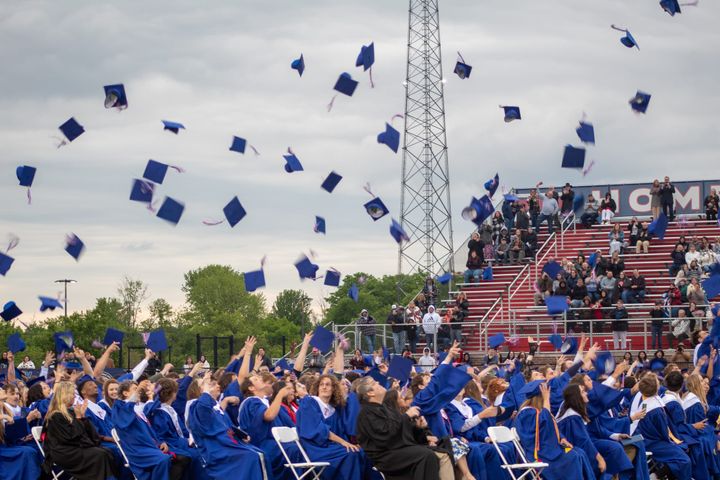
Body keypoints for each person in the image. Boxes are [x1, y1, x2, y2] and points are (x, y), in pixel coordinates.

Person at [355, 376, 456, 480]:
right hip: (385, 455)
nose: (378, 382)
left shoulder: (384, 408)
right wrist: (406, 416)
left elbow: (403, 432)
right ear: (370, 393)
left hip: (397, 449)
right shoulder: (366, 413)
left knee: (444, 447)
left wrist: (419, 428)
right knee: (427, 455)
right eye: (374, 383)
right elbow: (386, 435)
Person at [187, 375, 269, 479]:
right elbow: (206, 424)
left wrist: (240, 435)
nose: (213, 385)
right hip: (215, 449)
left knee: (260, 454)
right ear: (199, 391)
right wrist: (206, 389)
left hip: (227, 444)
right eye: (205, 384)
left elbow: (227, 427)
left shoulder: (216, 408)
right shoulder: (196, 406)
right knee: (250, 457)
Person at [514, 381, 594, 480]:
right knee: (573, 456)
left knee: (580, 452)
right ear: (541, 396)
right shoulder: (527, 412)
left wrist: (561, 438)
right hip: (539, 453)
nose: (549, 396)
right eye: (547, 394)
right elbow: (542, 424)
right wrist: (546, 399)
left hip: (549, 449)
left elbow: (548, 428)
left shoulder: (538, 411)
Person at [43, 381, 119, 480]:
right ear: (64, 395)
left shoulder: (71, 412)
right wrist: (78, 418)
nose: (75, 397)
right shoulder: (55, 415)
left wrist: (83, 418)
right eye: (72, 394)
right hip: (63, 452)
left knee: (107, 451)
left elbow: (93, 437)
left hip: (74, 447)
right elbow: (70, 437)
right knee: (99, 455)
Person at [296, 374, 367, 480]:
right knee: (350, 454)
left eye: (328, 385)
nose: (324, 387)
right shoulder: (310, 402)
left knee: (361, 452)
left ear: (334, 389)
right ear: (317, 388)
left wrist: (352, 444)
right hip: (315, 448)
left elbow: (343, 429)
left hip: (331, 447)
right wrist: (344, 443)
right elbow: (318, 429)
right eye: (321, 384)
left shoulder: (333, 409)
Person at [145, 378, 209, 480]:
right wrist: (185, 441)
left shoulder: (170, 409)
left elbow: (182, 430)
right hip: (170, 444)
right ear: (173, 394)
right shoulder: (160, 412)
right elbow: (165, 436)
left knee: (202, 449)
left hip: (178, 441)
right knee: (196, 455)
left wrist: (190, 438)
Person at [238, 373, 299, 480]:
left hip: (274, 443)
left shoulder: (265, 402)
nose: (260, 378)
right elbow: (268, 416)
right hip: (262, 444)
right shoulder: (251, 402)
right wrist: (280, 395)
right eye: (256, 379)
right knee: (294, 449)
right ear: (251, 388)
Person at [630, 373, 691, 479]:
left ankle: (657, 475)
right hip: (652, 442)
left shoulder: (639, 398)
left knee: (680, 450)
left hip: (641, 439)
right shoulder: (656, 409)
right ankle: (655, 476)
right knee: (684, 459)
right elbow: (663, 432)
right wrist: (671, 441)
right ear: (656, 388)